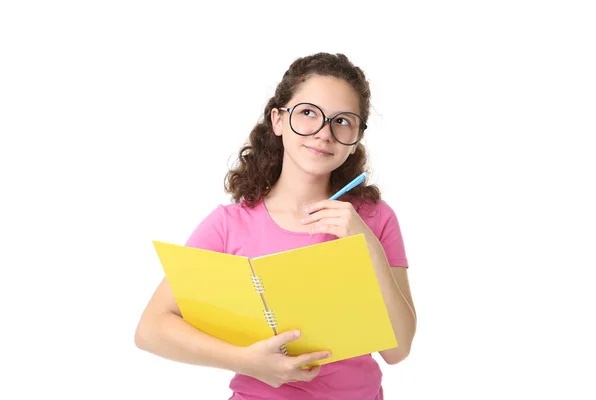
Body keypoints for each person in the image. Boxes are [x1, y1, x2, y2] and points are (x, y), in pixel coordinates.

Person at [134, 52, 417, 400]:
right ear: (279, 120)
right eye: (309, 113)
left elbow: (398, 350)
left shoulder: (374, 219)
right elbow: (151, 329)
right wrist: (247, 361)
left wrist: (367, 245)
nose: (323, 133)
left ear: (357, 135)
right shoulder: (229, 225)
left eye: (342, 120)